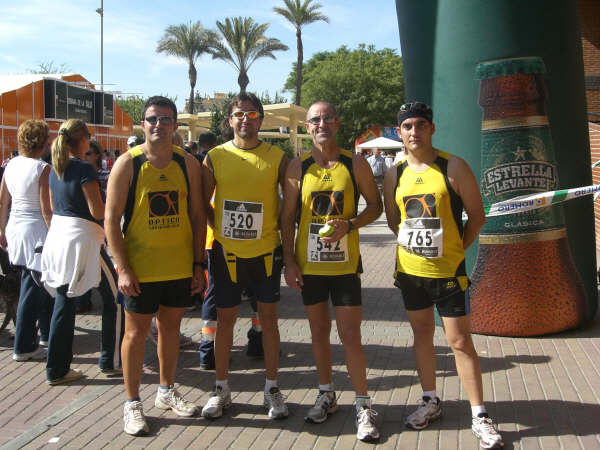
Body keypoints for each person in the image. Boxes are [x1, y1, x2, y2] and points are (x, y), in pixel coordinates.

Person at [383, 102, 503, 449]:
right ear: (400, 132)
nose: (414, 131)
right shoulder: (396, 172)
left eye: (421, 124)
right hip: (410, 272)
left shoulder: (453, 166)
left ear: (431, 128)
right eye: (407, 126)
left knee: (460, 342)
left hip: (449, 272)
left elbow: (477, 216)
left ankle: (479, 415)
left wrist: (457, 249)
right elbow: (395, 220)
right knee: (421, 336)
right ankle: (430, 400)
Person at [281, 101, 382, 442]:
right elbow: (287, 217)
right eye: (315, 119)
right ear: (307, 127)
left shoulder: (356, 164)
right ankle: (326, 393)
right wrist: (289, 261)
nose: (321, 123)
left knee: (350, 335)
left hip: (344, 267)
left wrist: (350, 224)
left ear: (337, 124)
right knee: (318, 332)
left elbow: (375, 206)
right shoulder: (298, 166)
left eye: (327, 118)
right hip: (309, 266)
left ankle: (363, 404)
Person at [105, 96, 205, 436]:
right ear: (142, 124)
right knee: (134, 335)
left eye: (165, 119)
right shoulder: (127, 164)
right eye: (152, 119)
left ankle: (166, 390)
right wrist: (123, 268)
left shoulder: (187, 164)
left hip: (177, 267)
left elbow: (196, 216)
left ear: (175, 126)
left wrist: (198, 264)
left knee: (171, 331)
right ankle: (132, 404)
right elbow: (110, 219)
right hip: (140, 270)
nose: (158, 125)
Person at [200, 92, 288, 420]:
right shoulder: (215, 156)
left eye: (252, 114)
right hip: (227, 254)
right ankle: (221, 387)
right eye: (239, 114)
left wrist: (288, 254)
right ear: (230, 120)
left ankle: (272, 388)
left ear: (261, 120)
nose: (245, 119)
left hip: (266, 253)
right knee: (225, 321)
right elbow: (202, 204)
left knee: (269, 322)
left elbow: (289, 208)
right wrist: (217, 228)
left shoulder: (278, 158)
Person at [41, 119, 121, 385]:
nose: (90, 139)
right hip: (84, 239)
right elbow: (98, 211)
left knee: (64, 301)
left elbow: (53, 207)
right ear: (82, 139)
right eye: (88, 135)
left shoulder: (56, 168)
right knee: (114, 297)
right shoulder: (83, 169)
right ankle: (110, 360)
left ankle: (56, 368)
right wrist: (113, 201)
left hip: (60, 237)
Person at [0, 120, 53, 361]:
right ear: (42, 141)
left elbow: (3, 201)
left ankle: (41, 336)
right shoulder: (42, 168)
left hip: (15, 229)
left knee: (33, 285)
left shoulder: (11, 164)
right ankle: (23, 346)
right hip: (35, 232)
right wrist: (55, 233)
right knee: (33, 289)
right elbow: (46, 209)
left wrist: (1, 229)